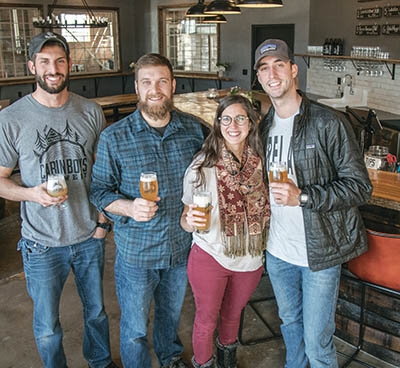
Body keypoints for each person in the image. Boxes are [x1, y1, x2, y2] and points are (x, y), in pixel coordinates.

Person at [0, 32, 117, 368]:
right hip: (41, 243)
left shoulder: (90, 111)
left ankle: (101, 362)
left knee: (96, 312)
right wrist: (31, 194)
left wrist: (102, 223)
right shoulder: (11, 119)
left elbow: (104, 173)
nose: (54, 69)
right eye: (45, 61)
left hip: (88, 236)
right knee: (48, 327)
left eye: (60, 61)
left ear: (69, 65)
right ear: (32, 66)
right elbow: (1, 181)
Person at [255, 38, 373, 368]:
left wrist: (303, 196)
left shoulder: (328, 122)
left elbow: (360, 188)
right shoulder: (264, 128)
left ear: (293, 70)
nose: (272, 73)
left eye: (279, 64)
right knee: (291, 328)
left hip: (318, 254)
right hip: (278, 251)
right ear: (259, 78)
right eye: (264, 68)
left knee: (318, 343)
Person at [90, 53, 208, 368]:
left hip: (181, 249)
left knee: (171, 316)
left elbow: (209, 179)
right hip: (136, 255)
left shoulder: (193, 131)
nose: (155, 89)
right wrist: (128, 206)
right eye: (147, 82)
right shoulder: (114, 137)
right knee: (134, 328)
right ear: (137, 88)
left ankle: (170, 357)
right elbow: (98, 191)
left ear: (173, 85)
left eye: (162, 81)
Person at [181, 95, 270, 368]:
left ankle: (227, 362)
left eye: (240, 118)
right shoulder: (201, 166)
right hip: (210, 255)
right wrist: (191, 222)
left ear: (251, 123)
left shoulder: (263, 164)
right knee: (206, 320)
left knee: (233, 316)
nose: (233, 125)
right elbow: (184, 220)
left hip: (250, 259)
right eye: (226, 118)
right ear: (218, 123)